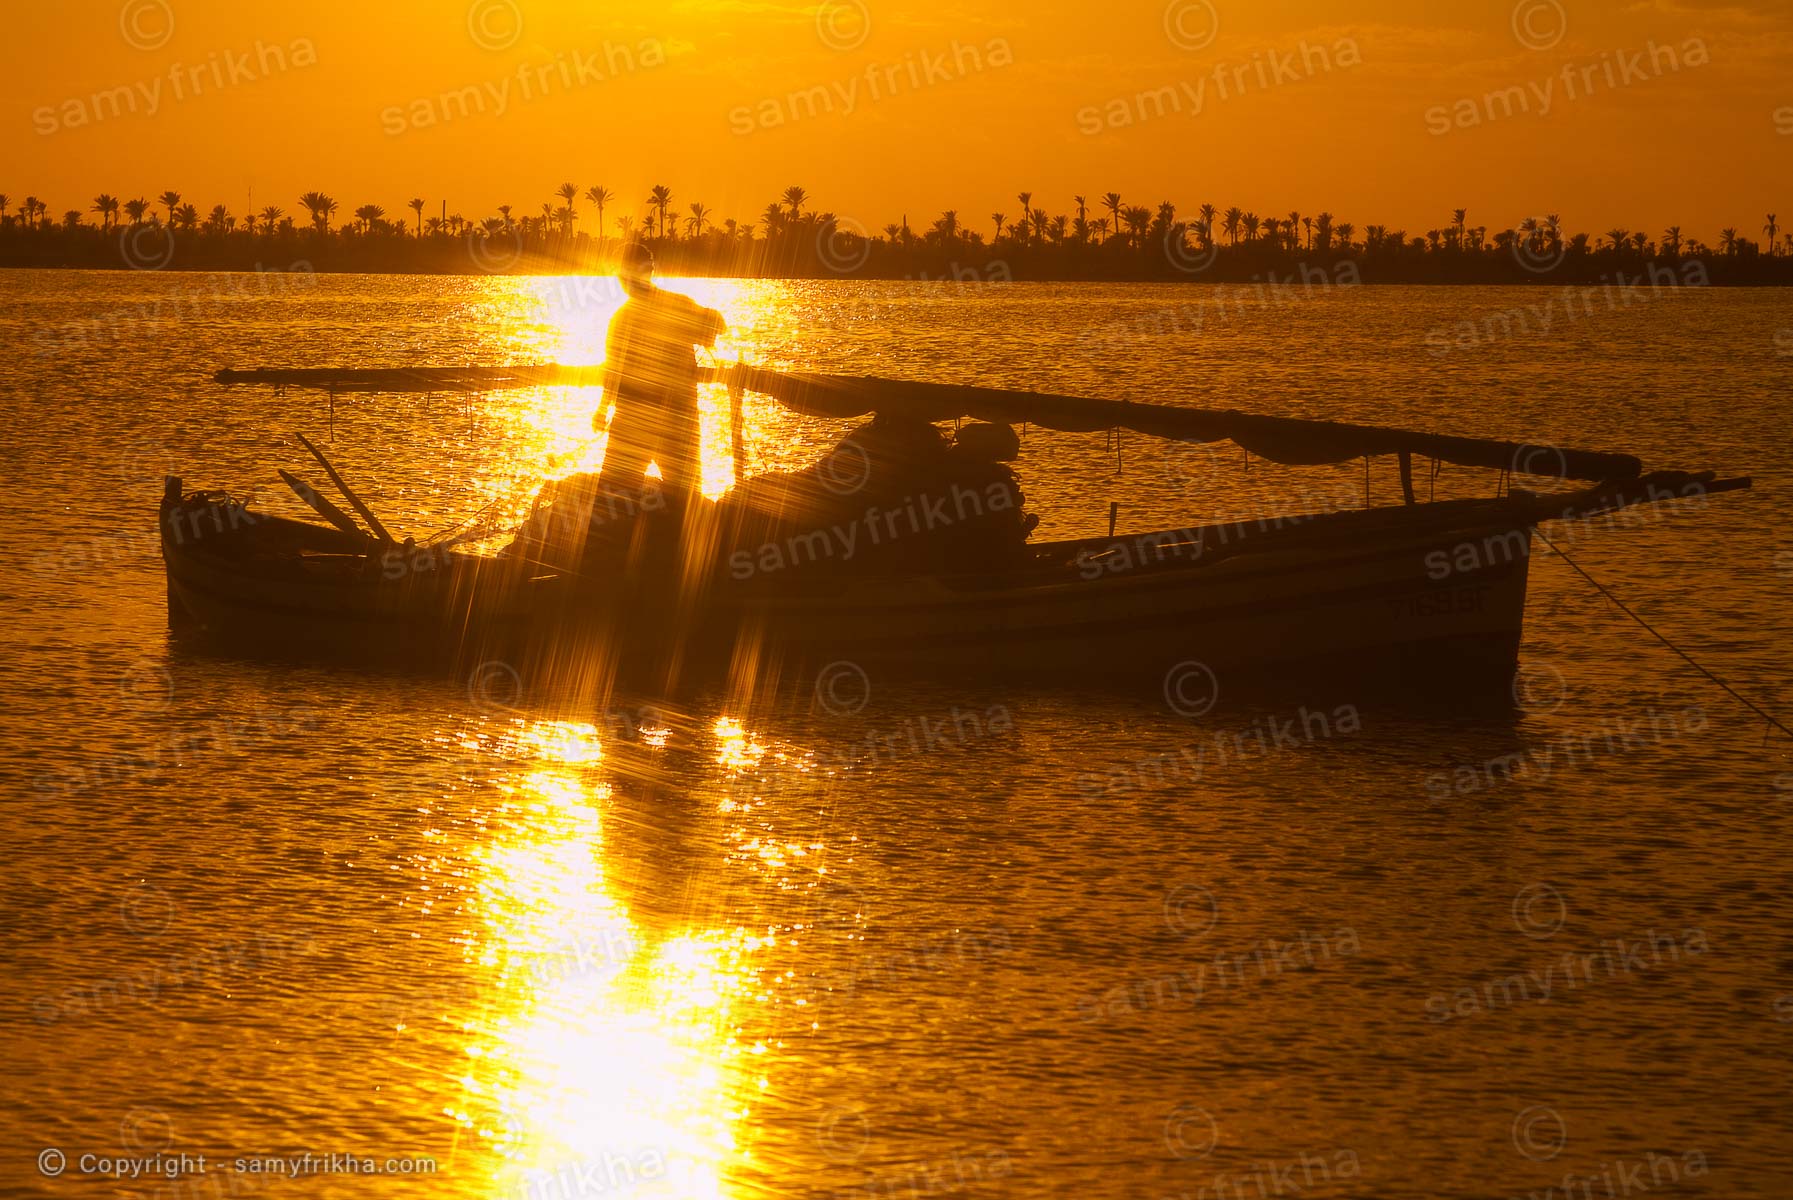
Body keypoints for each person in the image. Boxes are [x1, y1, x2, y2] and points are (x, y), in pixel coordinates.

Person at [598, 244, 726, 499]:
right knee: (685, 496)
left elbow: (613, 371)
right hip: (673, 419)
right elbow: (718, 326)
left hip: (638, 420)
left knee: (613, 495)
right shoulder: (675, 306)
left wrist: (602, 411)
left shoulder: (623, 319)